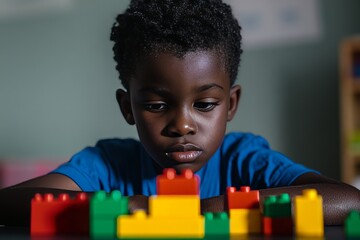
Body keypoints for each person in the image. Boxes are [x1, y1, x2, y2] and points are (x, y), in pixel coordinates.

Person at [0, 0, 359, 227]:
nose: (182, 125)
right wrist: (134, 205)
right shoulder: (107, 164)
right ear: (128, 108)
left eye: (204, 105)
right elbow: (7, 203)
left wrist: (214, 207)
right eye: (156, 105)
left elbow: (347, 199)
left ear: (231, 104)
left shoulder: (246, 160)